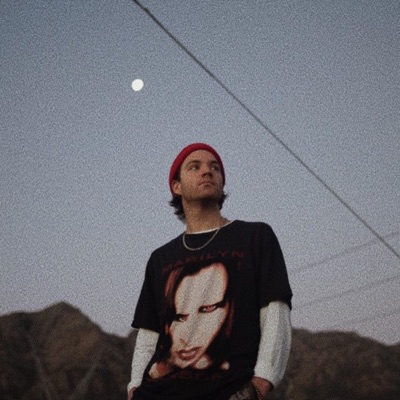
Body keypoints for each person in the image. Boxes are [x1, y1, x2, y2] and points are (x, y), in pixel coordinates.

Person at [128, 143, 292, 400]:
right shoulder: (160, 258)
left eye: (214, 167)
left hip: (229, 391)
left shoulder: (255, 236)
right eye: (195, 167)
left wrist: (262, 382)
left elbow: (275, 310)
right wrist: (135, 386)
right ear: (176, 186)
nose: (207, 171)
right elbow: (149, 333)